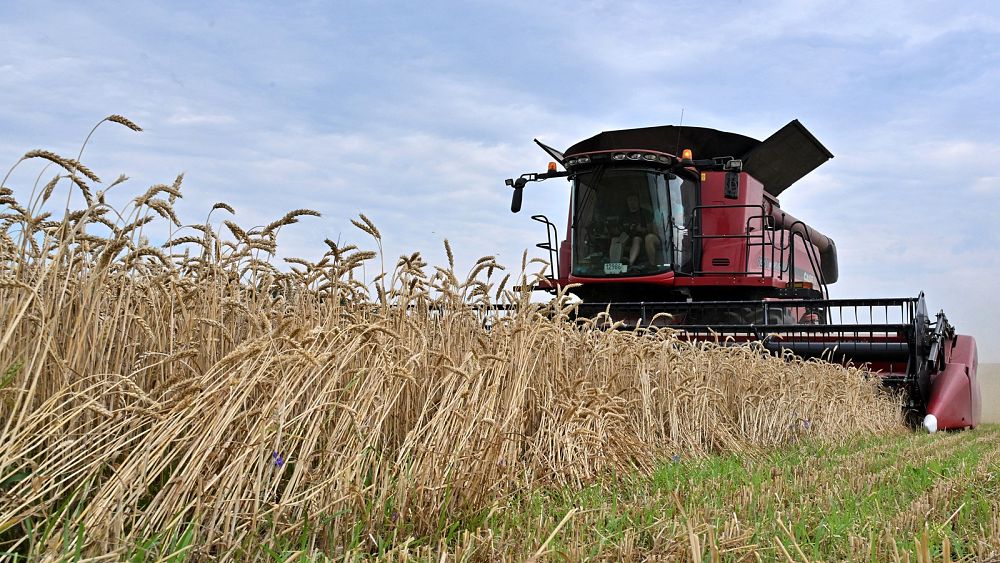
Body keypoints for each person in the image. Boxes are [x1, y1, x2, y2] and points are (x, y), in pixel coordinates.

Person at [613, 193, 660, 269]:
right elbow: (619, 228)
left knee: (636, 239)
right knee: (615, 240)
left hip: (641, 236)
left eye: (634, 200)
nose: (632, 202)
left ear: (638, 201)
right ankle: (614, 265)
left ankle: (630, 263)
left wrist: (639, 228)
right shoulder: (624, 214)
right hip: (626, 235)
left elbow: (650, 230)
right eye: (630, 200)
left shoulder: (645, 212)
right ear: (627, 202)